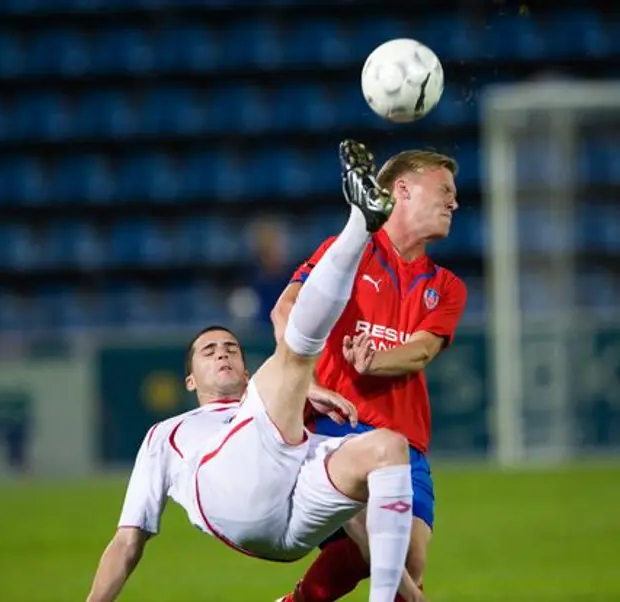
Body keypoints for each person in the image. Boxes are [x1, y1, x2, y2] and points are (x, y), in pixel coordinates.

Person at [86, 141, 419, 602]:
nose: (222, 354)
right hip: (231, 497)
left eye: (230, 348)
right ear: (190, 381)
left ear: (244, 373)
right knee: (292, 357)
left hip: (291, 519)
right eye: (208, 352)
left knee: (387, 447)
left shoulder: (276, 411)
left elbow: (360, 523)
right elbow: (128, 541)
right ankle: (361, 222)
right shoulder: (167, 435)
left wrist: (409, 593)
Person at [272, 149, 467, 602]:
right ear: (402, 190)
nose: (454, 203)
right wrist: (303, 380)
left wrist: (376, 361)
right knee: (386, 556)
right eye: (445, 191)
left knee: (408, 564)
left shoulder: (447, 286)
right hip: (336, 428)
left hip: (406, 441)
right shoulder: (349, 252)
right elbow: (286, 309)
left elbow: (422, 350)